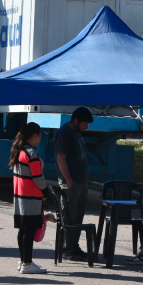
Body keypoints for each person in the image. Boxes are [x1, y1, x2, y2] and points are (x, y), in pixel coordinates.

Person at [10, 122, 52, 274]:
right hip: (31, 197)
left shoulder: (19, 151)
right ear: (34, 135)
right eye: (40, 136)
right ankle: (27, 263)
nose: (40, 139)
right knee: (28, 231)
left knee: (23, 230)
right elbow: (38, 176)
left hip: (20, 196)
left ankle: (23, 261)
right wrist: (46, 190)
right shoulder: (31, 153)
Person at [55, 107, 94, 261]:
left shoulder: (76, 132)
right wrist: (69, 180)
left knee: (78, 217)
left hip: (82, 182)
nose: (87, 127)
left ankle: (74, 246)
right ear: (76, 120)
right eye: (85, 123)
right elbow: (60, 158)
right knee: (69, 217)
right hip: (71, 183)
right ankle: (66, 249)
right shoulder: (65, 133)